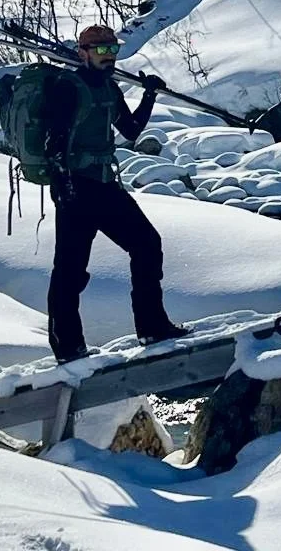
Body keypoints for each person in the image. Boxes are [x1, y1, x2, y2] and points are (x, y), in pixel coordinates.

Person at [42, 23, 188, 363]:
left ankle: (152, 327)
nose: (109, 57)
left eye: (113, 51)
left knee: (147, 244)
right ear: (83, 53)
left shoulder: (108, 87)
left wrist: (149, 94)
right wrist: (63, 186)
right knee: (70, 270)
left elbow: (130, 130)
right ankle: (68, 348)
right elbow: (54, 143)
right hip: (75, 189)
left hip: (104, 186)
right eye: (102, 50)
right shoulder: (67, 87)